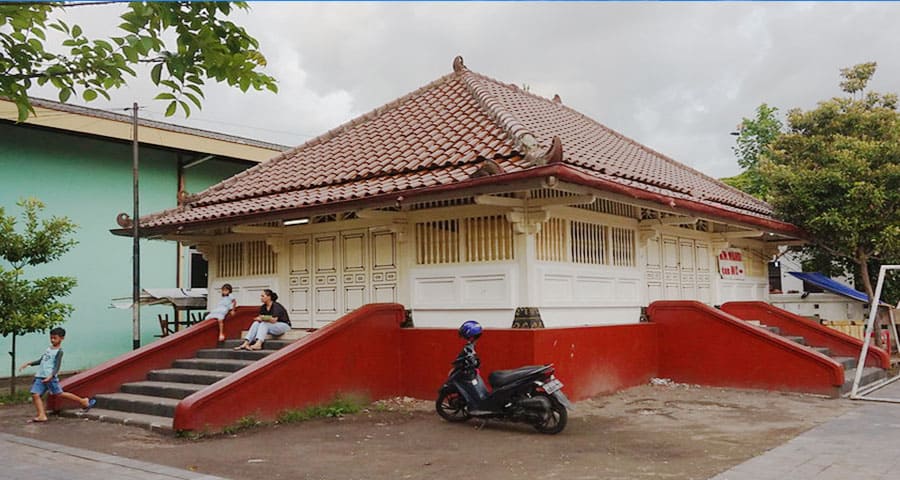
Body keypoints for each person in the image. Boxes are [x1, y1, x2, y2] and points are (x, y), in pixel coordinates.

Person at [18, 327, 95, 423]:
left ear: (62, 338)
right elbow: (42, 360)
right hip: (40, 376)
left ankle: (83, 401)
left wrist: (51, 376)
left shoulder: (59, 352)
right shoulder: (48, 349)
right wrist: (29, 363)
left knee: (59, 393)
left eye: (55, 338)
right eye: (51, 338)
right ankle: (41, 415)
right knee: (35, 395)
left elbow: (57, 366)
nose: (52, 340)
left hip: (50, 377)